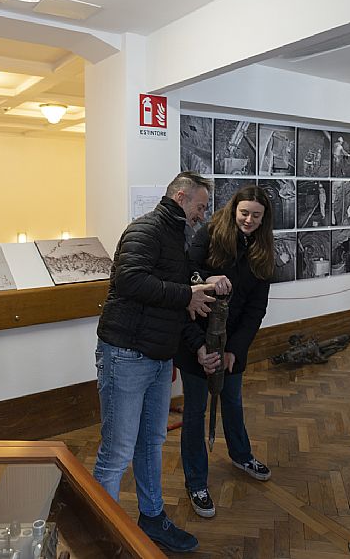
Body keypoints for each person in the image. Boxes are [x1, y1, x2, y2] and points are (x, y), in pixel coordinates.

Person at [93, 171, 230, 554]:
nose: (203, 215)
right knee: (117, 450)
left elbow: (176, 298)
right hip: (126, 353)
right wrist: (189, 290)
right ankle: (102, 530)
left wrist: (199, 287)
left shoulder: (176, 236)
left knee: (152, 442)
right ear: (182, 197)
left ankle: (152, 518)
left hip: (155, 355)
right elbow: (131, 281)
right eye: (201, 207)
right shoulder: (147, 229)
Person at [176, 185, 274, 519]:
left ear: (264, 219)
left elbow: (256, 308)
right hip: (196, 338)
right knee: (195, 411)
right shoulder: (211, 234)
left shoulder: (263, 249)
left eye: (256, 216)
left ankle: (240, 453)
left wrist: (235, 348)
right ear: (234, 210)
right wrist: (207, 277)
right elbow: (184, 273)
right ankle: (196, 481)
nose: (249, 220)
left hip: (232, 343)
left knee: (232, 400)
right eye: (244, 213)